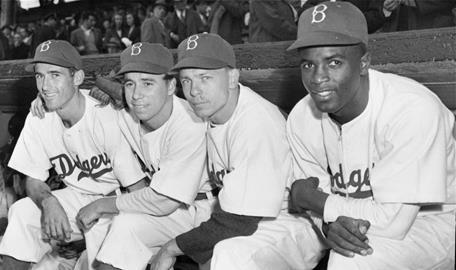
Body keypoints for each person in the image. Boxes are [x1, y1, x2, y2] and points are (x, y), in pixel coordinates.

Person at [286, 2, 456, 269]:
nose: (318, 78)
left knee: (350, 260)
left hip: (431, 225)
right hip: (352, 217)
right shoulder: (301, 116)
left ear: (364, 63)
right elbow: (316, 199)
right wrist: (328, 224)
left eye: (333, 62)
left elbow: (394, 223)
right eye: (308, 65)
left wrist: (313, 200)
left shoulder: (411, 109)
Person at [149, 33, 325, 270]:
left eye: (205, 78)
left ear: (232, 77)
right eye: (186, 80)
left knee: (229, 255)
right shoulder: (212, 110)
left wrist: (171, 247)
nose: (194, 91)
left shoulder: (254, 122)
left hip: (294, 222)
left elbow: (239, 222)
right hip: (250, 216)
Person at [0, 40, 147, 270]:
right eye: (40, 76)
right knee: (23, 212)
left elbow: (139, 191)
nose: (45, 86)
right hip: (78, 199)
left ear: (77, 78)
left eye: (55, 75)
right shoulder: (39, 116)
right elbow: (34, 179)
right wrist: (48, 201)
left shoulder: (105, 115)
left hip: (121, 203)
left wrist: (102, 208)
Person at [72, 42, 216, 270]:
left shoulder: (190, 123)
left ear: (170, 86)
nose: (137, 95)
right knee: (122, 229)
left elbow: (165, 201)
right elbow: (69, 97)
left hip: (206, 210)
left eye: (148, 83)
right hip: (167, 208)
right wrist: (39, 101)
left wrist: (102, 204)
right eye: (130, 83)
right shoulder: (127, 111)